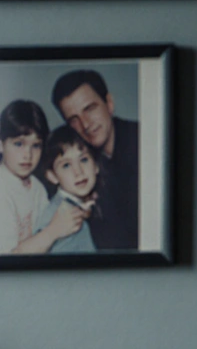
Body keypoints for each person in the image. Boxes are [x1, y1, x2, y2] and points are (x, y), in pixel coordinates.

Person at [51, 70, 138, 251]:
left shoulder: (145, 142)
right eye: (73, 119)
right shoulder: (78, 167)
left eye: (90, 109)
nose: (85, 124)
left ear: (109, 104)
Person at [0, 100, 84, 254]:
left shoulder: (37, 186)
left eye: (36, 145)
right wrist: (54, 231)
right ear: (1, 144)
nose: (28, 155)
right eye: (19, 144)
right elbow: (7, 260)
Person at [33, 125, 99, 254]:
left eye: (84, 160)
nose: (78, 171)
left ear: (96, 166)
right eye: (66, 165)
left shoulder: (84, 203)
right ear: (52, 176)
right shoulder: (60, 216)